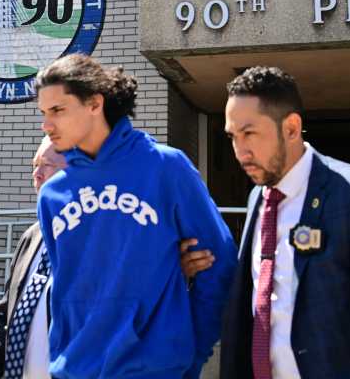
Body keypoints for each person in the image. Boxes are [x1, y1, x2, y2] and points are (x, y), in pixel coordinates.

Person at [35, 54, 237, 379]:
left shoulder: (165, 167)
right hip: (73, 370)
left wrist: (191, 352)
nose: (47, 125)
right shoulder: (52, 195)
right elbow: (64, 290)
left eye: (57, 110)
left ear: (94, 104)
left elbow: (218, 262)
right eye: (43, 113)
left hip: (155, 370)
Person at [218, 66, 350, 379]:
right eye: (233, 137)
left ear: (291, 128)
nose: (240, 151)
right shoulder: (257, 197)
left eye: (249, 133)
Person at [0, 135, 215, 379]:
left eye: (47, 165)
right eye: (34, 165)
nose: (36, 174)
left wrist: (174, 268)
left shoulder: (111, 234)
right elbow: (5, 316)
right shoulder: (31, 237)